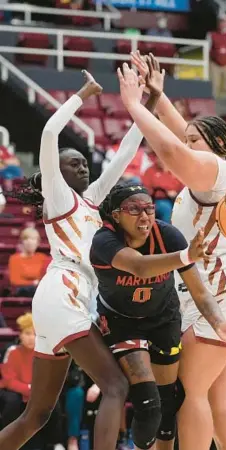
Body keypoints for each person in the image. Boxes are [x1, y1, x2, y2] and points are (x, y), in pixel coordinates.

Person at [119, 53, 226, 450]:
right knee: (216, 394)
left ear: (215, 146)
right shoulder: (223, 168)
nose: (186, 144)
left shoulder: (215, 169)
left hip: (222, 285)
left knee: (192, 390)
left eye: (195, 141)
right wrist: (159, 98)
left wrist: (134, 107)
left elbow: (175, 151)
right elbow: (184, 135)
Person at [0, 69, 162, 450]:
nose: (83, 166)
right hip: (64, 291)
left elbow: (123, 155)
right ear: (57, 172)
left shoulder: (90, 200)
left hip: (69, 298)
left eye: (84, 162)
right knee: (115, 385)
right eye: (74, 164)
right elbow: (49, 134)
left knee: (37, 415)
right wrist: (82, 95)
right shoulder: (59, 198)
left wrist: (147, 105)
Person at [90, 182, 226, 450]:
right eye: (134, 209)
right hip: (123, 321)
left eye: (149, 208)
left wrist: (219, 324)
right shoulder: (104, 240)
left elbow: (200, 292)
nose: (144, 216)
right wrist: (184, 256)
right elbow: (138, 266)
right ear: (115, 214)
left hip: (163, 319)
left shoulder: (167, 234)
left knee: (167, 403)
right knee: (148, 403)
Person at [0, 313, 65, 450]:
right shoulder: (12, 351)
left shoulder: (44, 352)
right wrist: (29, 390)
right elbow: (9, 380)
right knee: (12, 401)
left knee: (54, 402)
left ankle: (55, 443)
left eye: (35, 334)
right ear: (20, 335)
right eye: (27, 333)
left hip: (38, 390)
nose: (31, 338)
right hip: (17, 392)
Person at [8, 227, 50, 297]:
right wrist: (34, 282)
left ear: (38, 242)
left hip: (40, 290)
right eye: (26, 239)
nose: (30, 242)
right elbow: (15, 280)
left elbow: (45, 278)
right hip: (22, 292)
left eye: (33, 239)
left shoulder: (43, 258)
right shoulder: (14, 258)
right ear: (22, 242)